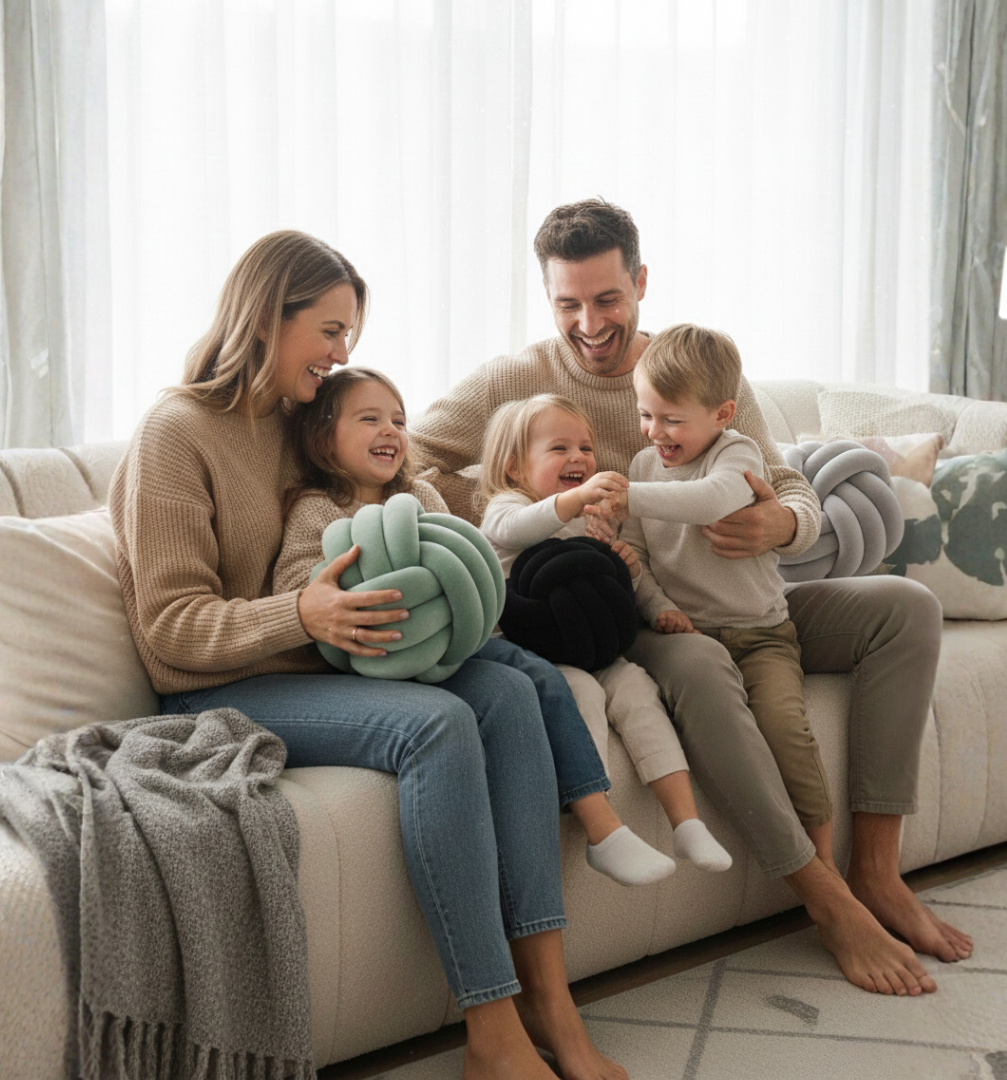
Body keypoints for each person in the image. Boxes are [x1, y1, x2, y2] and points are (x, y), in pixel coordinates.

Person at [409, 199, 974, 996]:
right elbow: (410, 457)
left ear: (640, 282)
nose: (588, 323)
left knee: (905, 609)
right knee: (702, 663)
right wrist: (496, 545)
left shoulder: (696, 369)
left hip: (752, 600)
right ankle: (826, 900)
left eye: (606, 299)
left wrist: (782, 524)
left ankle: (878, 870)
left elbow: (784, 483)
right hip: (646, 612)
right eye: (567, 303)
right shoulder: (516, 378)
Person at [109, 230, 628, 1080]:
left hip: (321, 667)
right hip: (215, 687)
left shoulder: (298, 423)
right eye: (330, 331)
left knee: (510, 694)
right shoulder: (177, 432)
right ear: (266, 317)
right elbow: (169, 629)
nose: (342, 353)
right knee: (438, 725)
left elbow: (398, 480)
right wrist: (300, 610)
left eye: (350, 334)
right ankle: (492, 1031)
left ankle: (553, 1004)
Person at [273, 366, 672, 888]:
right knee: (541, 681)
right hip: (375, 655)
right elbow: (293, 593)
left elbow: (469, 567)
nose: (390, 429)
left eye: (398, 419)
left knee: (542, 681)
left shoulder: (420, 496)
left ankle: (602, 829)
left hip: (454, 643)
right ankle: (601, 828)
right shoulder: (315, 509)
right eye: (370, 418)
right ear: (324, 437)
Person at [479, 393, 733, 875]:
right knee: (582, 693)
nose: (578, 458)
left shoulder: (593, 519)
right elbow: (514, 529)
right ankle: (600, 822)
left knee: (638, 688)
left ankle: (686, 822)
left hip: (592, 644)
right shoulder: (506, 506)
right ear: (514, 467)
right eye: (559, 449)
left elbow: (614, 587)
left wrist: (652, 599)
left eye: (586, 448)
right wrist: (572, 500)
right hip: (531, 652)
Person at [617, 325, 834, 872]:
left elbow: (706, 500)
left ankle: (825, 865)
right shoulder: (643, 468)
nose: (654, 431)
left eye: (671, 419)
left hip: (761, 636)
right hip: (691, 636)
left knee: (788, 734)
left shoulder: (738, 456)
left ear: (722, 413)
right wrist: (656, 606)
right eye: (646, 415)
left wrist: (625, 494)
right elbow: (636, 557)